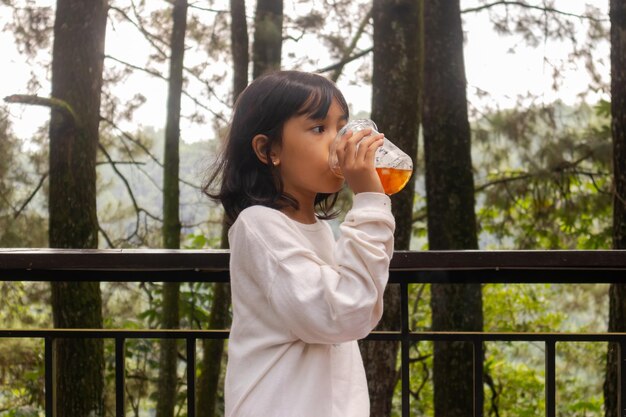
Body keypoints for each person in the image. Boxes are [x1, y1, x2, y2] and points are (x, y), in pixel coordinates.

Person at [204, 70, 395, 417]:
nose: (339, 142)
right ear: (268, 149)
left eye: (342, 127)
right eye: (319, 128)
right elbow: (345, 314)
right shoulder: (260, 226)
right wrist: (369, 198)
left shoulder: (321, 229)